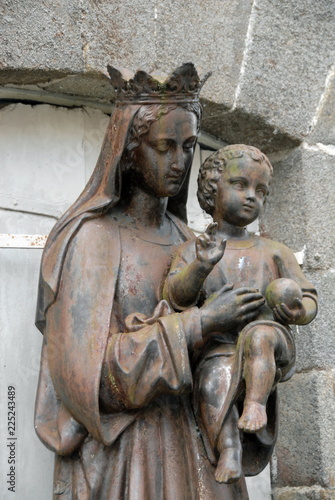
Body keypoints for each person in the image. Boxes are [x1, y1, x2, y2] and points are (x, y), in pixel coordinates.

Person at [34, 65, 265, 500]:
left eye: (189, 146)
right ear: (128, 150)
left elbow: (225, 358)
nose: (179, 162)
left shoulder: (192, 242)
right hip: (132, 456)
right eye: (164, 146)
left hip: (202, 450)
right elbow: (88, 378)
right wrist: (199, 324)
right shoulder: (92, 240)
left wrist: (259, 343)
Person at [163, 144, 318, 484]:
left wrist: (294, 309)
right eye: (240, 185)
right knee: (211, 382)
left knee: (259, 336)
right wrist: (202, 266)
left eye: (261, 191)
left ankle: (256, 404)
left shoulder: (274, 251)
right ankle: (229, 447)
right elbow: (175, 296)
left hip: (272, 340)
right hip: (218, 346)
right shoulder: (193, 250)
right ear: (211, 190)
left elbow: (308, 298)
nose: (252, 197)